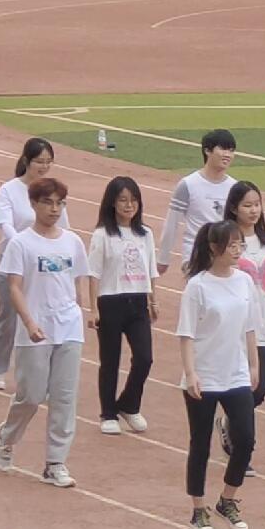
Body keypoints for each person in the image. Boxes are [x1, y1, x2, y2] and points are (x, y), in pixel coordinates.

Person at [0, 178, 88, 489]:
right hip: (35, 330)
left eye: (60, 203)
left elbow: (76, 283)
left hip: (68, 328)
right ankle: (7, 438)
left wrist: (78, 314)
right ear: (34, 204)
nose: (54, 209)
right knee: (31, 395)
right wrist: (30, 322)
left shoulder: (73, 242)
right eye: (48, 202)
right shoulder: (21, 244)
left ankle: (55, 462)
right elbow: (14, 287)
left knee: (64, 397)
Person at [176, 220, 260, 529]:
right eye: (232, 245)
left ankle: (228, 499)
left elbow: (250, 328)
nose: (237, 250)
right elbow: (186, 334)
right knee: (200, 443)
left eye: (240, 244)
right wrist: (191, 373)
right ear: (214, 248)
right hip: (205, 375)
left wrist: (254, 366)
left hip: (236, 374)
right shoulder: (197, 286)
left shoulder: (244, 282)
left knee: (246, 439)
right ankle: (198, 509)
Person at [0, 137, 71, 391]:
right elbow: (5, 223)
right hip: (13, 262)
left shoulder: (52, 192)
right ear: (26, 161)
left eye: (48, 162)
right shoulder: (9, 190)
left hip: (44, 265)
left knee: (45, 315)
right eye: (39, 161)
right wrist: (25, 245)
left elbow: (63, 227)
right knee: (9, 318)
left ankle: (40, 373)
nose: (44, 167)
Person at [222, 180, 265, 476]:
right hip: (236, 326)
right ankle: (242, 450)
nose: (253, 210)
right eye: (247, 205)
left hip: (263, 324)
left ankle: (229, 421)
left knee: (259, 389)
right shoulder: (228, 240)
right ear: (234, 208)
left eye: (257, 204)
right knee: (242, 387)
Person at [87, 176, 158, 436]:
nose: (129, 205)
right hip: (110, 302)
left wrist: (153, 300)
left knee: (144, 358)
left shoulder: (145, 234)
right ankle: (108, 413)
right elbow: (93, 274)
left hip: (138, 302)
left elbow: (151, 269)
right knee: (110, 360)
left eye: (134, 200)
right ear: (112, 203)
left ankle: (128, 404)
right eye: (123, 200)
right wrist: (93, 308)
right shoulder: (102, 235)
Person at [157, 129, 237, 275]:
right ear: (207, 150)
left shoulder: (234, 187)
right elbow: (172, 223)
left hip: (225, 256)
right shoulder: (188, 185)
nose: (227, 155)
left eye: (231, 150)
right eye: (223, 149)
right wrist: (163, 258)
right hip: (195, 255)